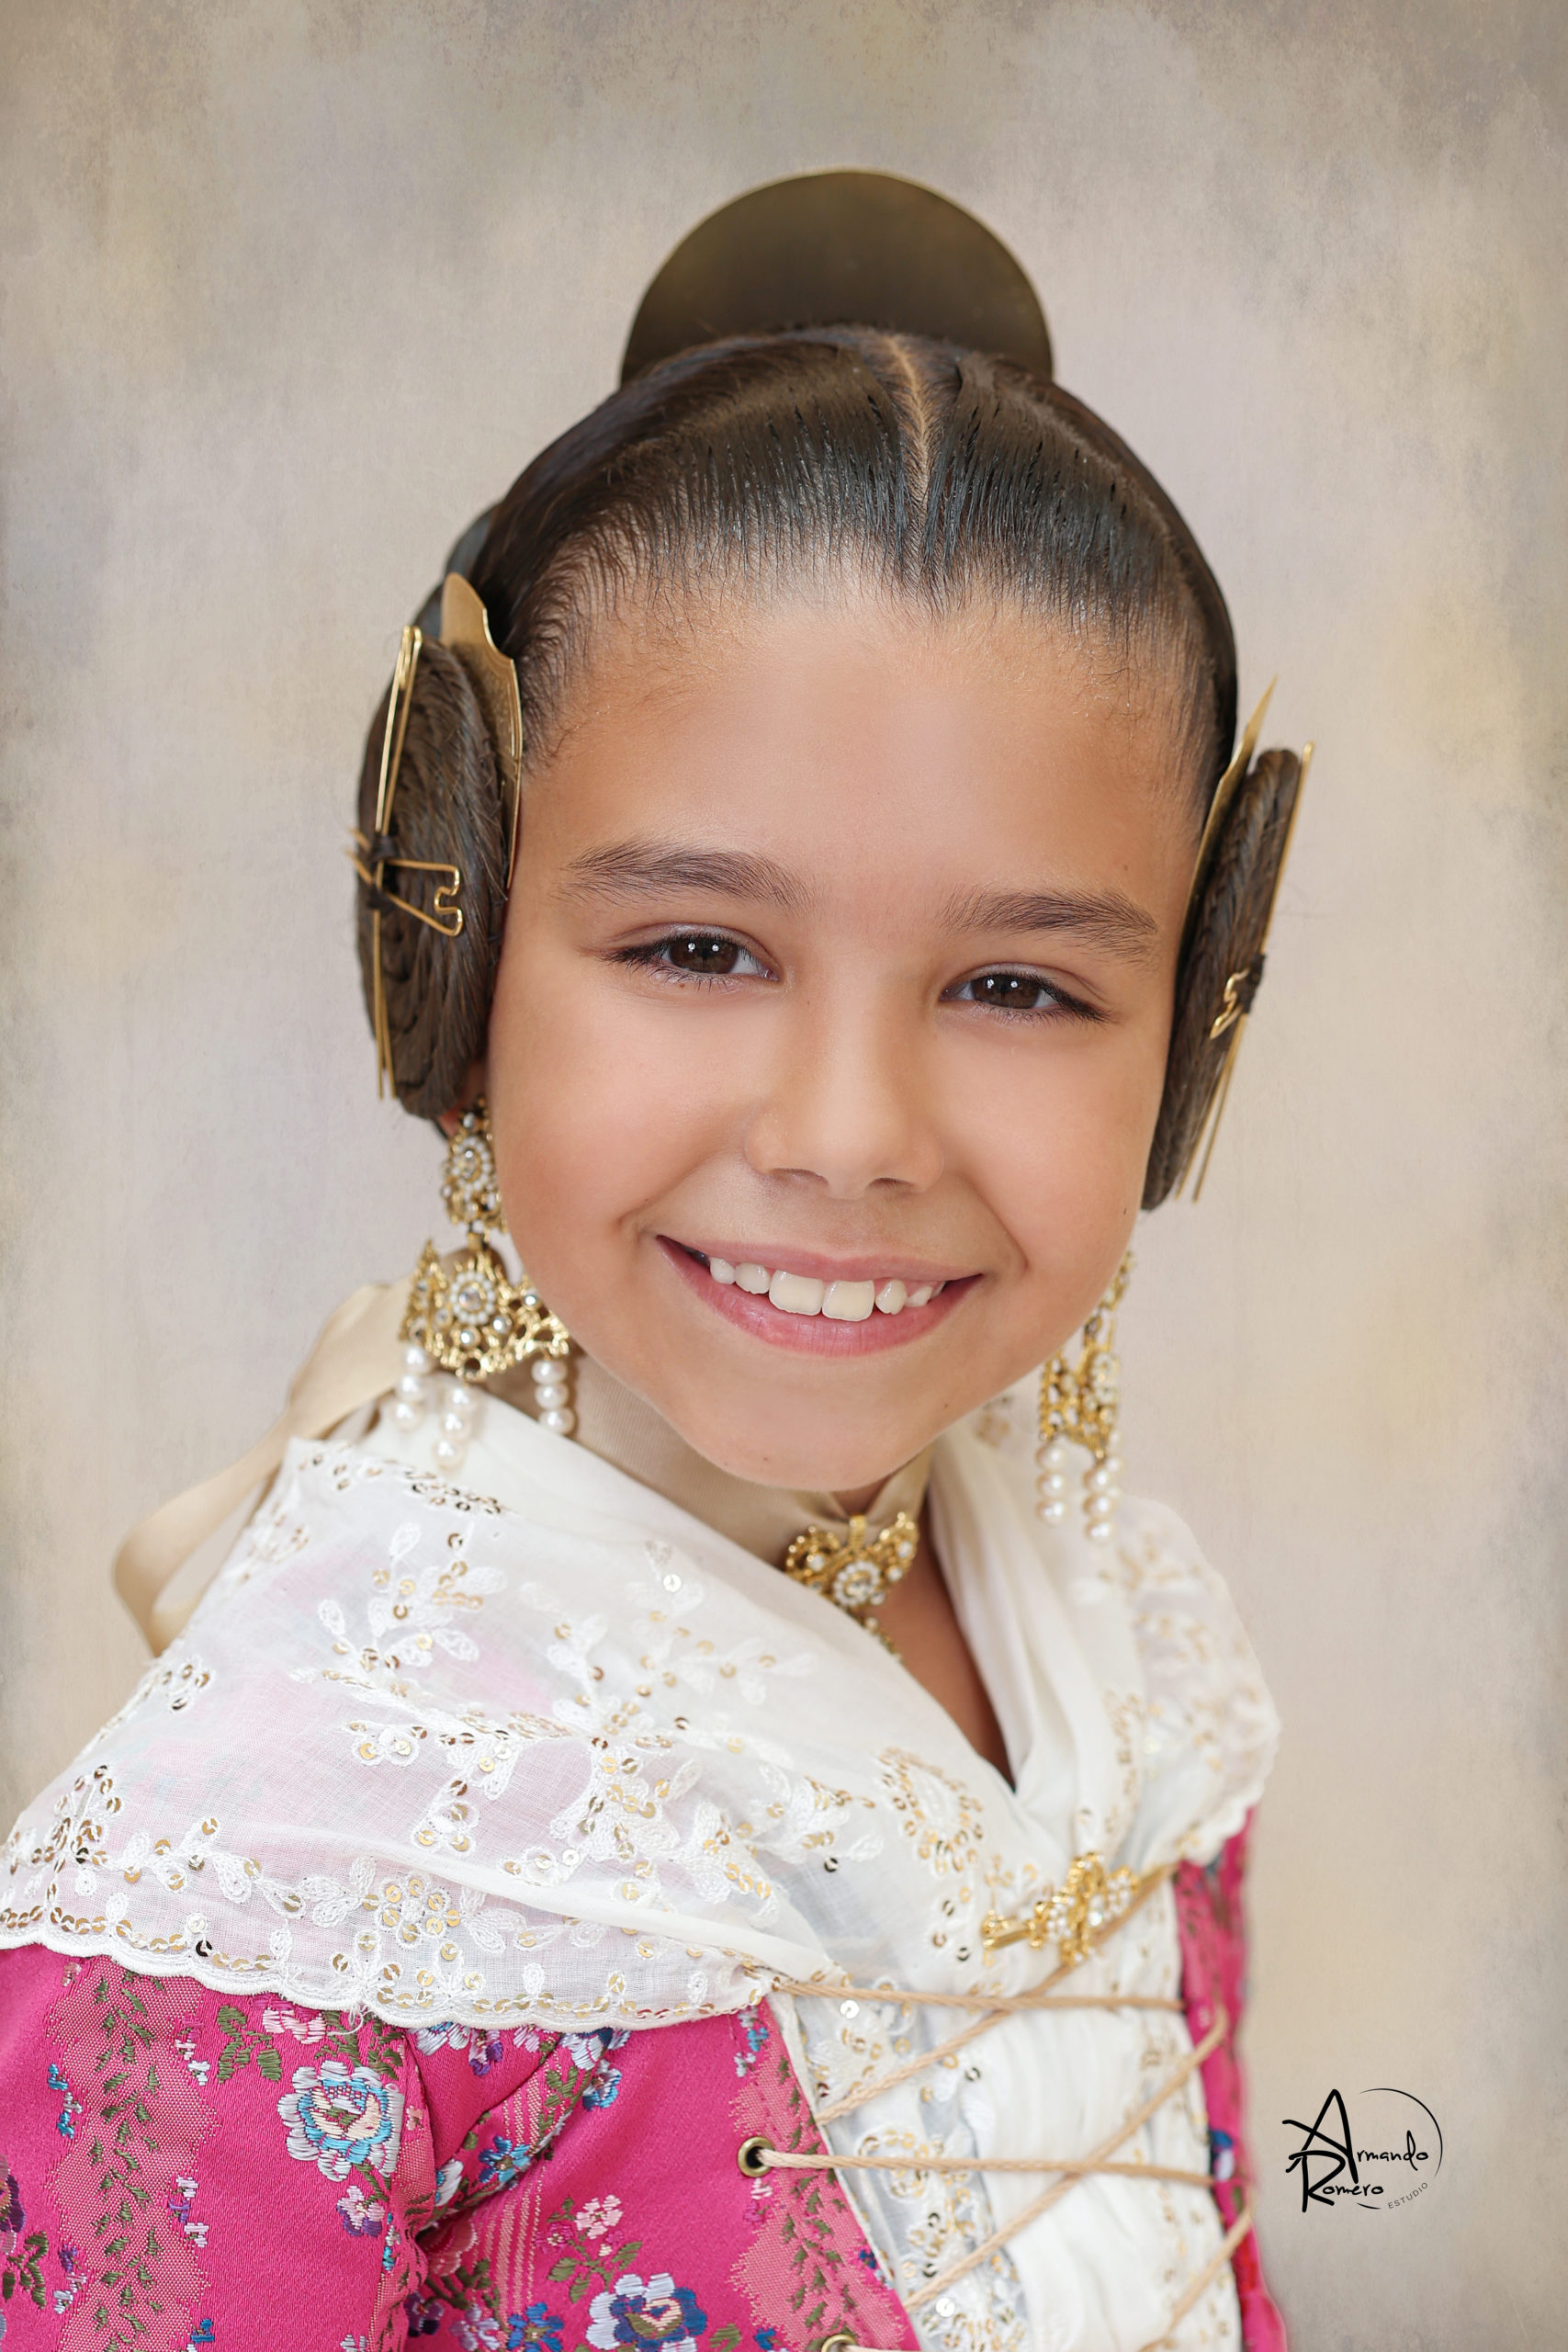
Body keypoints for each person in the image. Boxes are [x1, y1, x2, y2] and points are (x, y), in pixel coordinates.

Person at [0, 174, 1303, 2351]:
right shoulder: (258, 1889)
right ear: (451, 955)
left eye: (1018, 984)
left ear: (1192, 1031)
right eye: (696, 947)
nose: (847, 1134)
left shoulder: (1124, 1648)